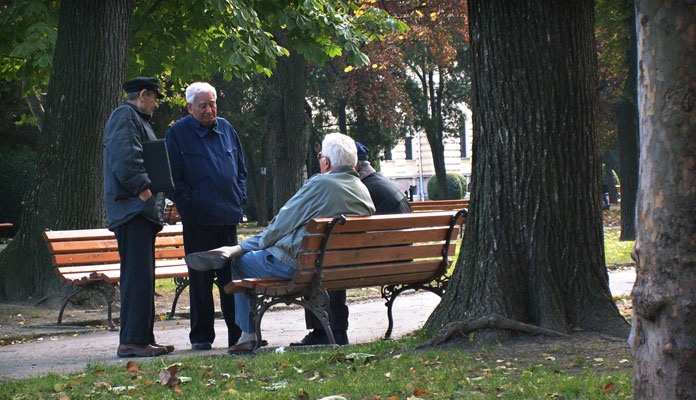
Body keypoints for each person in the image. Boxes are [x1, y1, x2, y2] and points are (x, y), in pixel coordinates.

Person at [184, 133, 376, 354]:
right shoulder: (362, 189)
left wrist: (240, 247)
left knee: (239, 262)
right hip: (341, 267)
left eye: (320, 156)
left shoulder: (320, 184)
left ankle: (247, 335)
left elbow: (279, 226)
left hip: (300, 265)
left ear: (327, 162)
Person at [290, 141, 412, 346]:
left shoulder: (359, 188)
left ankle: (327, 332)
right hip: (399, 260)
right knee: (332, 258)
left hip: (375, 262)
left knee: (321, 263)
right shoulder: (382, 184)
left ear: (354, 166)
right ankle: (330, 330)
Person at [165, 82, 247, 351]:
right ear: (189, 108)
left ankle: (238, 335)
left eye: (212, 103)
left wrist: (239, 197)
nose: (209, 109)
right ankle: (201, 337)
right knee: (200, 281)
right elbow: (173, 179)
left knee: (230, 281)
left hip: (227, 216)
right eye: (203, 105)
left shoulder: (226, 128)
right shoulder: (177, 134)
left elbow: (241, 170)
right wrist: (190, 206)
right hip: (198, 220)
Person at [103, 76, 174, 357]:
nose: (156, 105)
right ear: (143, 94)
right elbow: (126, 156)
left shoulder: (135, 118)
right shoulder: (125, 116)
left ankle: (143, 338)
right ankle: (132, 340)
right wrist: (143, 189)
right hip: (132, 210)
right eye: (155, 98)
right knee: (136, 277)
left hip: (137, 212)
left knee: (143, 277)